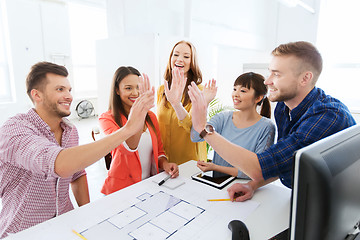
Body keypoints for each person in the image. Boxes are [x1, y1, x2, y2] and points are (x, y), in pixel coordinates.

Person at [0, 62, 154, 238]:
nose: (69, 96)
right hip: (24, 231)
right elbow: (59, 164)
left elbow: (76, 174)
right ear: (37, 95)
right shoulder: (15, 129)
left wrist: (86, 215)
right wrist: (127, 130)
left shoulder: (70, 131)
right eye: (60, 89)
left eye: (69, 90)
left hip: (65, 224)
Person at [188, 41, 356, 202]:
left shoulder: (328, 116)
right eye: (270, 72)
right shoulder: (283, 108)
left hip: (335, 201)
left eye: (276, 74)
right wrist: (253, 186)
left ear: (305, 78)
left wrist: (204, 128)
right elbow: (282, 160)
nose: (267, 81)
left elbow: (258, 167)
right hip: (304, 194)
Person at [99, 66, 179, 195]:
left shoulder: (151, 117)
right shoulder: (107, 118)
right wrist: (140, 114)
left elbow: (159, 151)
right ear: (117, 90)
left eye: (138, 87)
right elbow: (126, 149)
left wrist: (165, 164)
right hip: (120, 190)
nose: (135, 93)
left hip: (148, 185)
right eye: (128, 88)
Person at [191, 72, 276, 178]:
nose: (235, 94)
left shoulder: (266, 127)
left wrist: (215, 167)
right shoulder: (223, 118)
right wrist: (205, 103)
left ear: (258, 98)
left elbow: (259, 171)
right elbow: (196, 137)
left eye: (243, 91)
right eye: (234, 89)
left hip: (246, 188)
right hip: (219, 183)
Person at [157, 40, 215, 165]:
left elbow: (193, 128)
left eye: (186, 56)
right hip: (165, 161)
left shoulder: (199, 91)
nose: (179, 59)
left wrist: (176, 104)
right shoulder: (162, 90)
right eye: (176, 54)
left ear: (192, 62)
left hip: (189, 161)